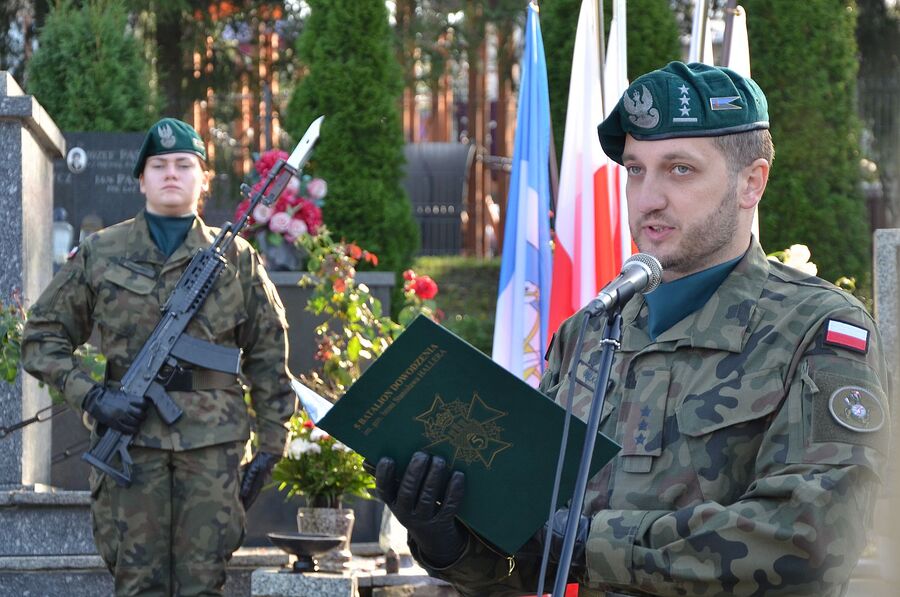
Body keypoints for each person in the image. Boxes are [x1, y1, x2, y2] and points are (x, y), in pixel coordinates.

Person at [374, 62, 891, 596]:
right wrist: (453, 543)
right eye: (635, 169)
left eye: (680, 170)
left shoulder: (817, 330)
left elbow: (809, 539)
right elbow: (534, 556)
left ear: (750, 183)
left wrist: (586, 544)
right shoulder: (590, 331)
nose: (648, 198)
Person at [22, 118, 295, 596]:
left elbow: (269, 356)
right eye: (159, 165)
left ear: (203, 180)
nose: (171, 173)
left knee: (203, 585)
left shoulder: (238, 260)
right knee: (137, 585)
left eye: (184, 165)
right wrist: (93, 397)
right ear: (141, 180)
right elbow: (41, 337)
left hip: (212, 449)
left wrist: (272, 446)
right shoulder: (102, 252)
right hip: (132, 448)